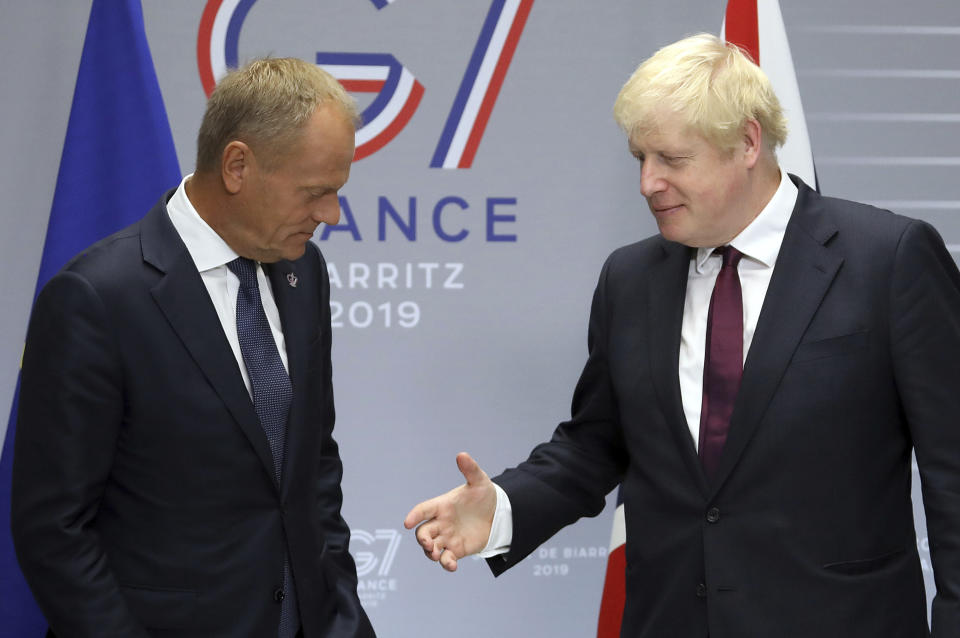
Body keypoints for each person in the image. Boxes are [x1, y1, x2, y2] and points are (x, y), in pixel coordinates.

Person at [404, 33, 960, 637]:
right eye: (640, 158)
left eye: (671, 159)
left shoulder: (888, 259)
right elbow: (595, 444)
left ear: (747, 143)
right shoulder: (630, 277)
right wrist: (505, 508)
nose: (647, 183)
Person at [12, 58, 375, 638]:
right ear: (237, 165)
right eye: (316, 192)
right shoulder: (97, 298)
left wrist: (343, 622)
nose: (330, 215)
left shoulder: (303, 272)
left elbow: (312, 471)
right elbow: (54, 530)